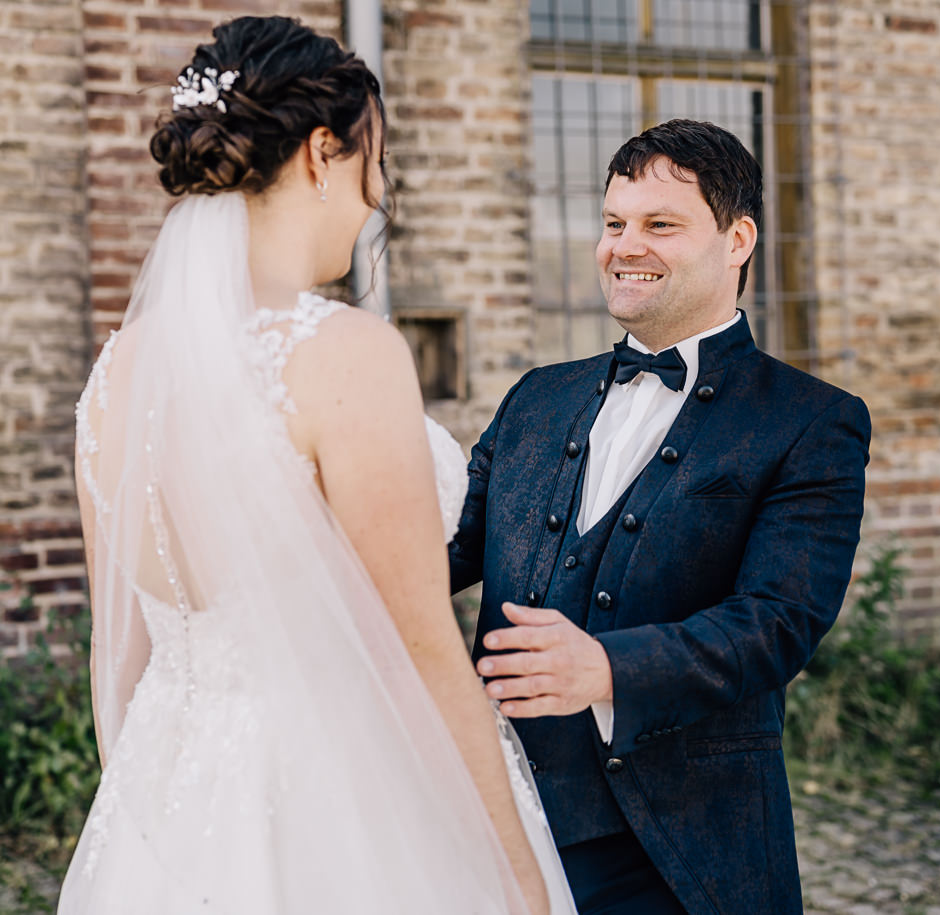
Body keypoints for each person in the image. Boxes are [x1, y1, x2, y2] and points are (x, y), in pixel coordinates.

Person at [60, 17, 571, 914]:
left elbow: (123, 652)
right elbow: (421, 649)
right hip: (343, 798)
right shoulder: (346, 355)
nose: (378, 198)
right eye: (377, 160)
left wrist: (150, 819)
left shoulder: (116, 377)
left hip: (168, 803)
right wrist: (519, 879)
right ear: (322, 153)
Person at [448, 119, 871, 914]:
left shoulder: (813, 420)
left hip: (681, 850)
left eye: (660, 225)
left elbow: (778, 622)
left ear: (738, 237)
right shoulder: (535, 396)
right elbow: (438, 550)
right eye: (614, 224)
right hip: (499, 827)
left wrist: (605, 670)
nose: (623, 246)